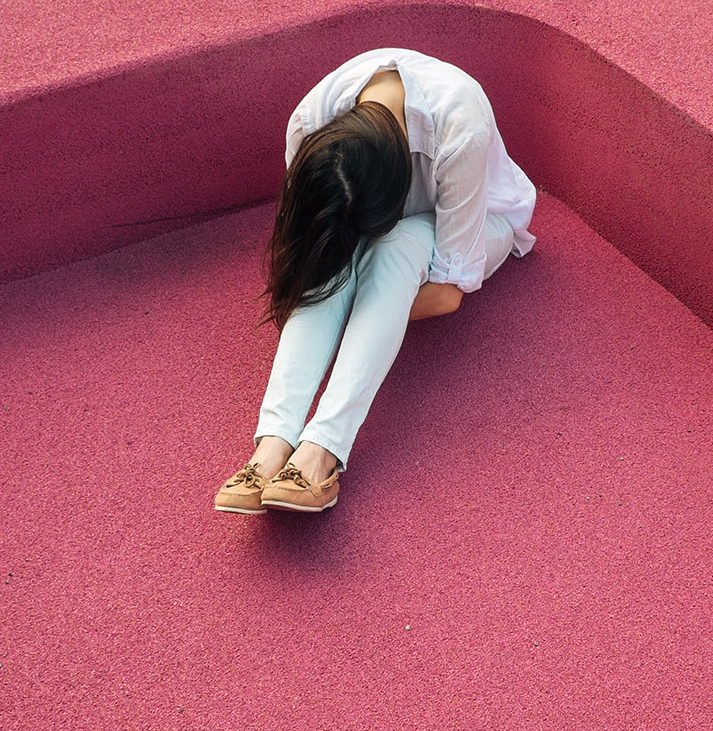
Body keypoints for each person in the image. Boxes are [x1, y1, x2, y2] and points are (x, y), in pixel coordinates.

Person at [214, 48, 538, 514]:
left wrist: (356, 307)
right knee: (327, 268)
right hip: (392, 228)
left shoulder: (459, 122)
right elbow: (309, 248)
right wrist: (333, 285)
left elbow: (447, 294)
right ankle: (271, 447)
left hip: (482, 224)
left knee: (398, 244)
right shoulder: (311, 125)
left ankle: (321, 450)